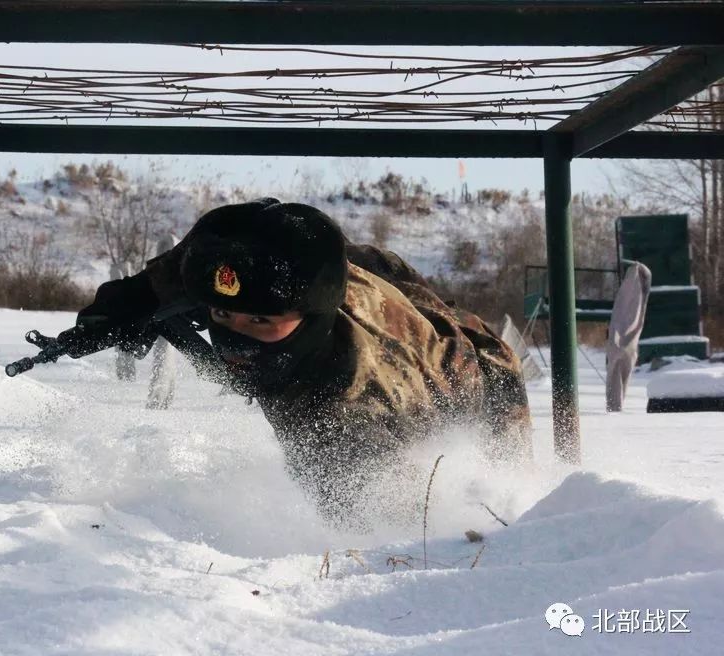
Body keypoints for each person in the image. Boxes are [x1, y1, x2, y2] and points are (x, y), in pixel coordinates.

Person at [73, 199, 531, 526]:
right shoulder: (285, 271)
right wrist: (127, 302)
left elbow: (380, 532)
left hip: (481, 379)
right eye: (222, 315)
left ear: (311, 320)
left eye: (260, 322)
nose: (237, 338)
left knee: (504, 502)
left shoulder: (346, 404)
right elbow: (224, 248)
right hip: (382, 284)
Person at [605, 261, 652, 412]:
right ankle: (615, 405)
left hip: (624, 343)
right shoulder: (635, 290)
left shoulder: (637, 289)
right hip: (623, 342)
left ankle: (614, 405)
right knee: (619, 366)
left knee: (620, 366)